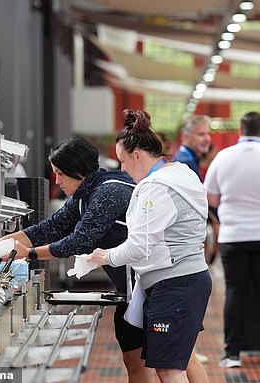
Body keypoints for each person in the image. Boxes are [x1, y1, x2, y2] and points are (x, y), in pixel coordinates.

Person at [0, 136, 206, 382]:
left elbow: (79, 240)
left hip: (160, 285)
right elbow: (52, 227)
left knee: (178, 360)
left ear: (78, 172)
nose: (57, 181)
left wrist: (29, 253)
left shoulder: (109, 190)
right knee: (136, 358)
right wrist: (0, 246)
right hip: (132, 288)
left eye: (60, 174)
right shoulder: (86, 193)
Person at [89, 109, 212, 383]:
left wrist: (105, 256)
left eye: (123, 161)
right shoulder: (182, 174)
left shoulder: (156, 187)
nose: (122, 169)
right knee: (173, 365)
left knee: (170, 369)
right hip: (186, 279)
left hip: (175, 283)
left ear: (137, 155)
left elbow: (139, 247)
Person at [204, 112, 260, 369]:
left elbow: (210, 197)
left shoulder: (223, 157)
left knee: (236, 292)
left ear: (240, 130)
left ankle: (232, 354)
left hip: (235, 235)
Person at [173, 115, 212, 180]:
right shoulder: (183, 163)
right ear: (186, 137)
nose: (208, 139)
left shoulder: (189, 159)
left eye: (208, 134)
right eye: (201, 134)